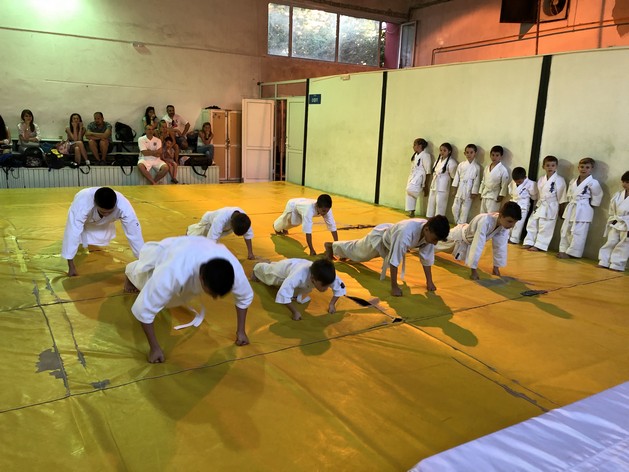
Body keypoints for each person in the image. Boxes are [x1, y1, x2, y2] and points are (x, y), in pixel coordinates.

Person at [125, 236, 253, 363]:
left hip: (196, 247)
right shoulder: (172, 271)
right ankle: (130, 272)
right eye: (212, 293)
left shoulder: (233, 270)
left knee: (170, 295)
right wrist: (154, 348)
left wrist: (241, 331)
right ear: (201, 278)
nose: (214, 298)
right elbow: (144, 309)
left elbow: (244, 297)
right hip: (170, 251)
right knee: (145, 281)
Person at [324, 216, 450, 296]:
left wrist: (429, 282)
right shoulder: (406, 233)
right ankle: (331, 246)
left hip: (391, 237)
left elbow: (426, 259)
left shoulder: (429, 233)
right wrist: (394, 287)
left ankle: (340, 250)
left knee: (356, 251)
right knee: (358, 253)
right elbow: (394, 261)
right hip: (379, 238)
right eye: (435, 239)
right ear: (427, 229)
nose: (435, 243)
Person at [61, 187, 144, 277]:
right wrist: (71, 265)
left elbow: (135, 234)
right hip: (85, 213)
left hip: (102, 219)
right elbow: (72, 233)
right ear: (95, 204)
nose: (106, 214)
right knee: (76, 233)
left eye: (110, 212)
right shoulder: (82, 205)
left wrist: (143, 261)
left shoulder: (124, 206)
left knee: (132, 232)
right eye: (103, 212)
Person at [436, 201, 521, 280]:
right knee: (434, 243)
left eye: (514, 222)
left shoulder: (503, 226)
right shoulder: (485, 221)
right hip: (457, 236)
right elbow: (478, 244)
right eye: (510, 221)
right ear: (501, 216)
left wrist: (496, 267)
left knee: (436, 245)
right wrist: (473, 270)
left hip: (466, 241)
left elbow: (500, 246)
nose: (512, 225)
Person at [252, 258, 345, 320]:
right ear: (313, 279)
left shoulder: (329, 276)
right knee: (269, 275)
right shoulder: (298, 275)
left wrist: (332, 304)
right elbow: (283, 294)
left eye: (328, 285)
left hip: (299, 265)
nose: (326, 288)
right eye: (324, 286)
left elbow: (339, 288)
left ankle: (268, 263)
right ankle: (258, 266)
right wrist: (295, 312)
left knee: (297, 289)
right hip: (284, 269)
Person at [557, 157, 604, 259]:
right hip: (572, 207)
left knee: (579, 232)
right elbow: (569, 194)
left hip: (583, 209)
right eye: (582, 167)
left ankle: (573, 253)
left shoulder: (593, 182)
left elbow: (597, 195)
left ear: (591, 169)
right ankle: (563, 250)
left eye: (587, 167)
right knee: (566, 229)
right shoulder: (573, 181)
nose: (584, 169)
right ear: (578, 168)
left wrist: (591, 205)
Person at [522, 156, 567, 252]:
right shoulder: (541, 179)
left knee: (546, 225)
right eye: (548, 165)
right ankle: (529, 241)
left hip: (551, 205)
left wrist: (561, 209)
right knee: (532, 222)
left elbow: (562, 197)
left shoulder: (559, 180)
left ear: (556, 166)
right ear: (543, 167)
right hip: (540, 203)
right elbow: (539, 194)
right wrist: (536, 205)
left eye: (553, 165)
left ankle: (540, 245)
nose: (550, 167)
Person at [273, 194, 338, 255]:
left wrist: (336, 245)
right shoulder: (309, 210)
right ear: (317, 206)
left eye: (327, 211)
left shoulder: (326, 209)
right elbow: (308, 231)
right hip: (293, 205)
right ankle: (276, 227)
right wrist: (311, 249)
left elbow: (332, 226)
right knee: (291, 221)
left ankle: (285, 228)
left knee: (295, 222)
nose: (325, 213)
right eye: (323, 211)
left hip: (302, 205)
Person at [187, 207, 256, 259]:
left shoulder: (244, 220)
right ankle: (190, 230)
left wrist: (250, 253)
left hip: (225, 228)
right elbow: (211, 240)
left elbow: (248, 235)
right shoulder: (220, 219)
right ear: (231, 224)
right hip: (208, 222)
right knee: (197, 240)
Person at [598, 171, 629, 271]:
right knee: (611, 241)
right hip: (616, 221)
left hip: (627, 224)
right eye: (623, 182)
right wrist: (612, 219)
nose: (624, 184)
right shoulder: (618, 194)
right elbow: (612, 209)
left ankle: (617, 264)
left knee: (624, 245)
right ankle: (604, 261)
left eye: (627, 182)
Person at [451, 143, 482, 224]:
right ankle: (457, 222)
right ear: (464, 153)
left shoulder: (477, 167)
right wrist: (454, 189)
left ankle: (461, 225)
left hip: (469, 188)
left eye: (471, 152)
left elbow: (477, 181)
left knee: (465, 210)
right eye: (467, 152)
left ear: (475, 153)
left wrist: (474, 192)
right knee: (454, 208)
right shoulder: (461, 165)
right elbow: (457, 177)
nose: (469, 154)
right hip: (460, 187)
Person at [426, 142, 457, 217]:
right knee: (431, 202)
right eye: (441, 150)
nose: (442, 152)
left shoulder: (452, 162)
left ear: (449, 151)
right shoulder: (437, 161)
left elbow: (453, 177)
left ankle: (439, 220)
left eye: (444, 150)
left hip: (443, 185)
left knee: (440, 204)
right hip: (434, 184)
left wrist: (454, 189)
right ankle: (430, 218)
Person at [508, 167, 537, 244]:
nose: (517, 183)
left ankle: (514, 239)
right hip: (513, 203)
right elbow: (511, 192)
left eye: (519, 182)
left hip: (523, 205)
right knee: (510, 220)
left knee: (519, 223)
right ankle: (507, 236)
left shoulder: (531, 184)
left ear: (524, 177)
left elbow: (534, 196)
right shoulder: (513, 182)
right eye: (516, 181)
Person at [479, 145, 510, 213]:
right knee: (482, 213)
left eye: (497, 155)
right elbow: (483, 181)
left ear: (501, 156)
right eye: (492, 155)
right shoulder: (487, 167)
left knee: (491, 215)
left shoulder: (503, 169)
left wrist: (501, 195)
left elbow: (504, 184)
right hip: (485, 194)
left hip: (494, 195)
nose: (494, 157)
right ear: (490, 155)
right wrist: (480, 192)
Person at [405, 138, 431, 218]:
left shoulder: (426, 155)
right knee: (408, 192)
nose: (413, 147)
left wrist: (425, 185)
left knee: (410, 189)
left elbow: (428, 170)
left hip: (420, 176)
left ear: (420, 146)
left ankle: (418, 192)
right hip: (413, 175)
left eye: (415, 145)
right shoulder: (415, 155)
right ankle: (411, 211)